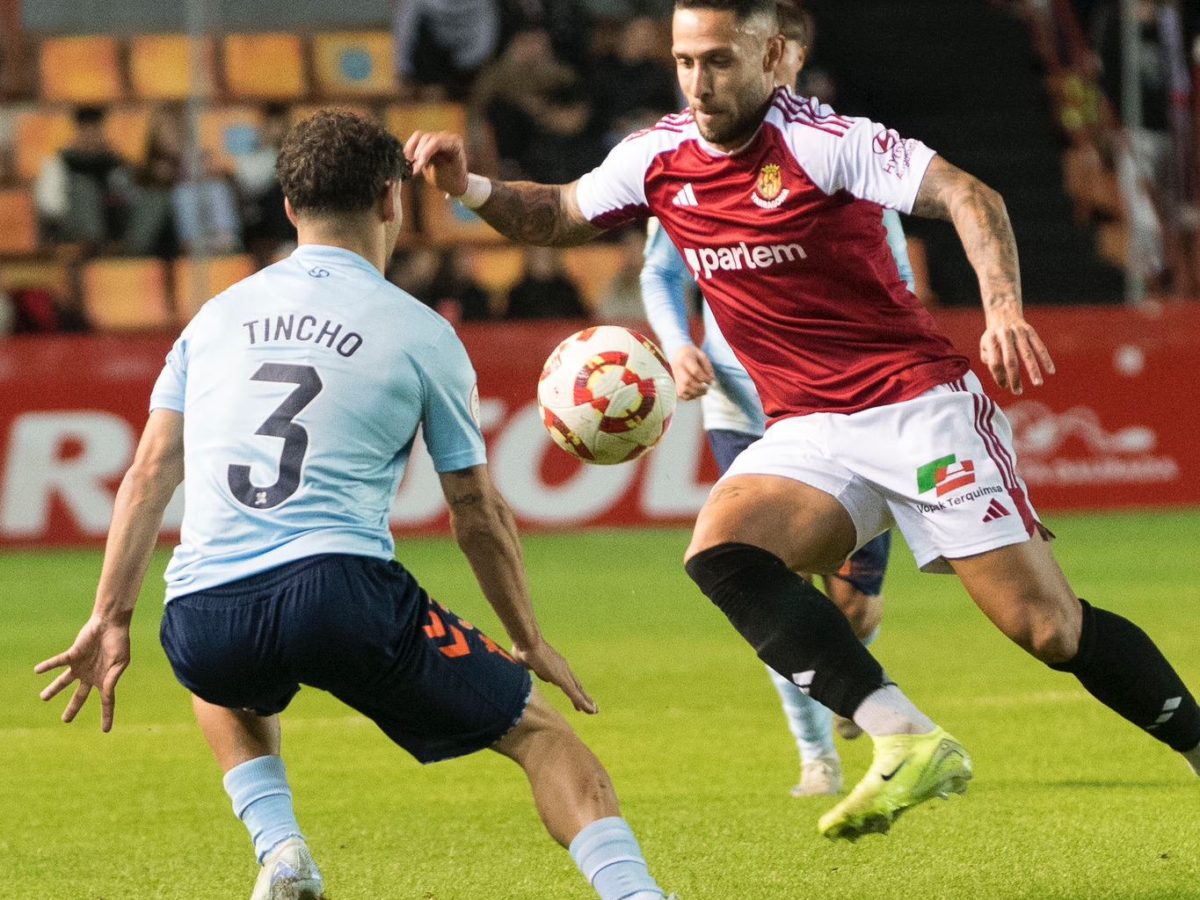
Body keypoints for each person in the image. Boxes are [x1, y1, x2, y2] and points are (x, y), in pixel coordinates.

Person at [404, 0, 1200, 842]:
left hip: (914, 406)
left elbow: (971, 195)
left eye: (716, 60)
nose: (697, 82)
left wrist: (1002, 310)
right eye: (683, 62)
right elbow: (561, 213)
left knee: (1047, 628)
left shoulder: (826, 142)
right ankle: (902, 737)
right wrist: (473, 189)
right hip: (812, 427)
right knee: (723, 554)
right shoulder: (659, 155)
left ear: (773, 54)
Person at [36, 110, 673, 900]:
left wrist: (112, 614)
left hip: (203, 612)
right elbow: (473, 510)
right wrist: (527, 637)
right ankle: (635, 894)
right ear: (390, 201)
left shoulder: (211, 321)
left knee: (217, 670)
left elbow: (148, 473)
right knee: (540, 735)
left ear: (289, 208)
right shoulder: (420, 331)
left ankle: (281, 850)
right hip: (339, 591)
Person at [638, 4, 912, 800]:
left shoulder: (841, 158)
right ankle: (816, 755)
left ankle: (857, 675)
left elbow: (895, 281)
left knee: (853, 609)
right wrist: (679, 342)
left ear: (785, 59)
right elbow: (661, 271)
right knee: (767, 585)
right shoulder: (692, 160)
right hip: (743, 410)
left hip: (846, 412)